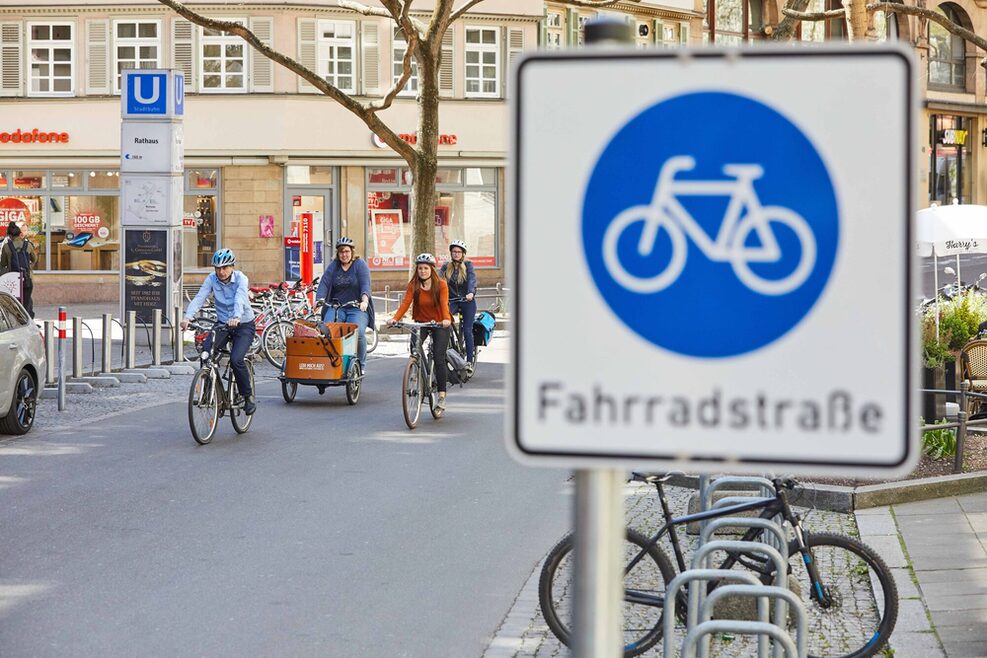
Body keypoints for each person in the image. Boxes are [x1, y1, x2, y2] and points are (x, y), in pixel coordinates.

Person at [180, 248, 257, 415]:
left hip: (243, 324)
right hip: (223, 324)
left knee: (236, 359)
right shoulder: (212, 279)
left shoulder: (241, 279)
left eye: (225, 268)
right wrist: (187, 317)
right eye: (217, 268)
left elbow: (240, 298)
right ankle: (209, 394)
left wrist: (236, 316)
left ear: (232, 267)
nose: (221, 272)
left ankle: (248, 396)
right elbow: (200, 297)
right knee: (206, 353)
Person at [388, 253, 453, 411]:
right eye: (420, 268)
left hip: (439, 323)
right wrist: (395, 318)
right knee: (414, 349)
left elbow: (444, 304)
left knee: (439, 357)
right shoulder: (414, 285)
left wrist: (446, 319)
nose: (422, 271)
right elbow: (405, 303)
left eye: (425, 268)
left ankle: (442, 396)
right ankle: (417, 373)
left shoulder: (441, 285)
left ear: (432, 269)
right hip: (421, 322)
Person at [315, 237, 374, 371]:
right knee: (326, 330)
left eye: (347, 251)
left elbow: (366, 284)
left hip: (356, 308)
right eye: (341, 252)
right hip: (337, 307)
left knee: (357, 333)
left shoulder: (360, 264)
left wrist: (364, 300)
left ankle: (361, 364)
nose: (344, 255)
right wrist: (319, 300)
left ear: (352, 252)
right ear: (338, 253)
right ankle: (330, 362)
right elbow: (324, 283)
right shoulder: (334, 266)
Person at [439, 239, 477, 367]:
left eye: (459, 252)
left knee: (467, 330)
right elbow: (438, 280)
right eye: (454, 251)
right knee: (444, 321)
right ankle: (448, 348)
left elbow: (472, 279)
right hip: (452, 301)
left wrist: (471, 292)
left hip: (467, 301)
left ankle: (470, 361)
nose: (456, 254)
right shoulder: (446, 266)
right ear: (451, 253)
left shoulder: (468, 265)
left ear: (463, 254)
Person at [0, 221, 38, 317]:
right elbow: (34, 259)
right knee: (27, 302)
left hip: (12, 280)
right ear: (19, 233)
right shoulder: (28, 245)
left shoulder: (6, 246)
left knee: (13, 303)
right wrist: (29, 268)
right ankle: (29, 322)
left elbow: (3, 263)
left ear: (9, 235)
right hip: (26, 278)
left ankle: (17, 322)